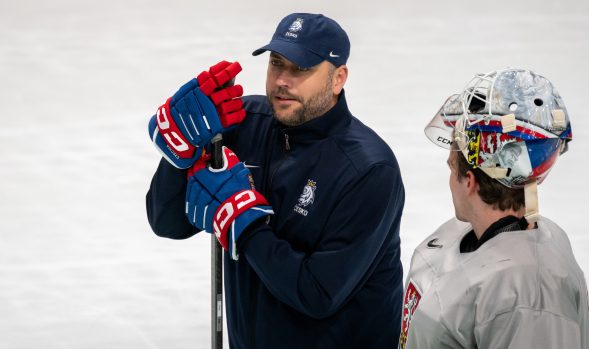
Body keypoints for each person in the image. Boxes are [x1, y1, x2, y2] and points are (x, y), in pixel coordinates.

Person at [146, 13, 405, 348]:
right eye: (277, 63)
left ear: (338, 78)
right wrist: (179, 156)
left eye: (301, 69)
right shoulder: (244, 125)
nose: (283, 80)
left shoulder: (368, 171)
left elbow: (318, 294)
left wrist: (245, 225)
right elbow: (168, 223)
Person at [399, 69, 589, 348]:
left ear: (470, 182)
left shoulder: (529, 293)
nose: (450, 180)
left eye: (453, 169)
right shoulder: (458, 235)